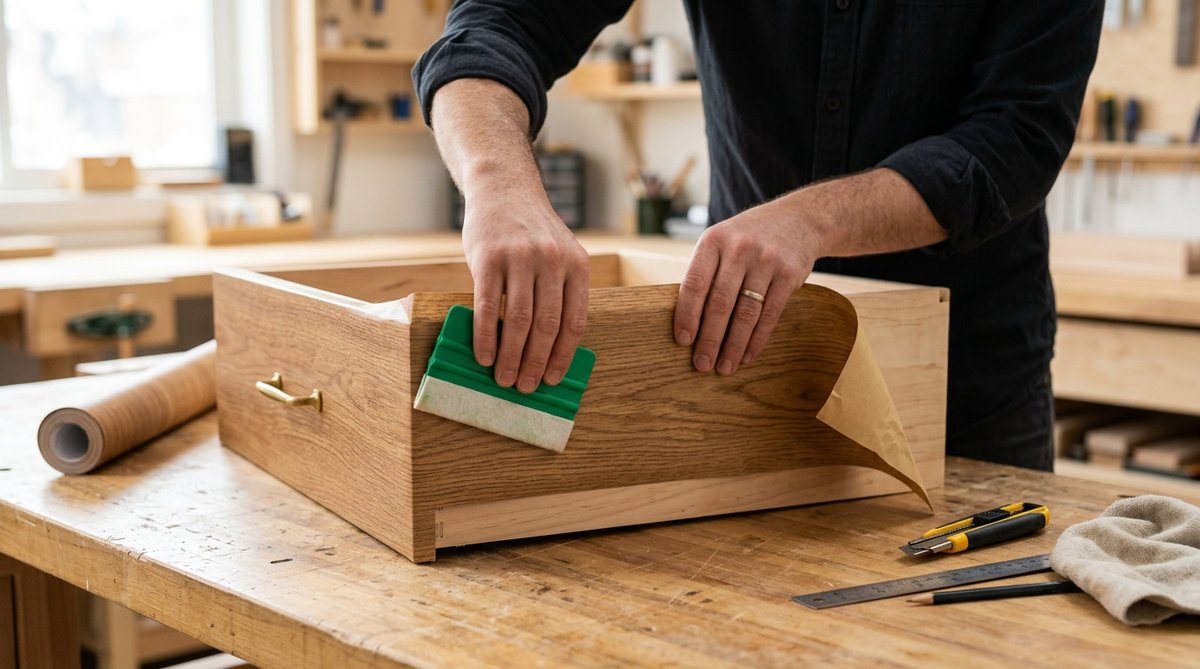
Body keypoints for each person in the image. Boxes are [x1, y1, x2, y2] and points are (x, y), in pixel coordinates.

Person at [413, 2, 1104, 471]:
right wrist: (500, 184)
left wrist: (811, 220)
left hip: (963, 384)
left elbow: (1016, 138)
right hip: (742, 370)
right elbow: (496, 24)